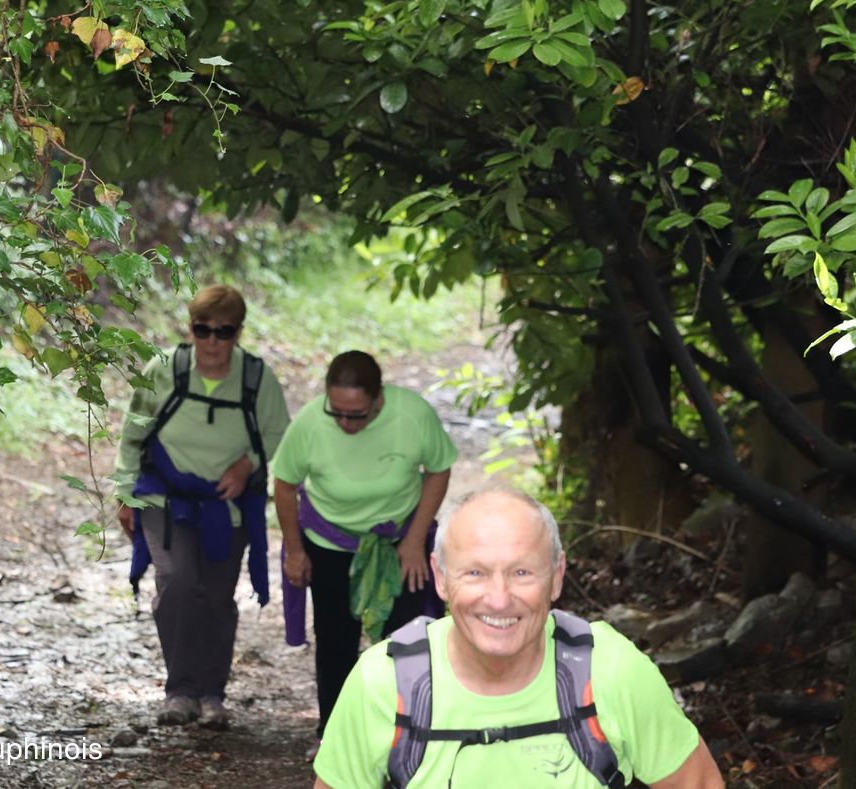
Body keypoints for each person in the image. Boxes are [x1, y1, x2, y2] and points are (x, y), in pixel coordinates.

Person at [313, 489, 725, 789]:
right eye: (475, 572)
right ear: (440, 577)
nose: (499, 598)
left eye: (522, 572)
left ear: (557, 576)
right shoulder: (385, 681)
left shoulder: (610, 671)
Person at [115, 285, 290, 730]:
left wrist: (247, 465)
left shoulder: (256, 379)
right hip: (164, 495)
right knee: (176, 581)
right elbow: (133, 432)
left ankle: (211, 694)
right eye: (202, 330)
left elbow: (278, 434)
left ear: (238, 333)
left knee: (215, 595)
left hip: (227, 504)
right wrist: (124, 494)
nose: (212, 341)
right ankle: (180, 691)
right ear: (190, 329)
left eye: (224, 332)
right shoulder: (165, 369)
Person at [273, 350, 457, 758]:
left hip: (399, 540)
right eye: (336, 411)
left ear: (379, 399)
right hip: (330, 540)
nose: (344, 423)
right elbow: (284, 484)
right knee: (335, 639)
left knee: (406, 638)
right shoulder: (310, 423)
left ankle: (404, 735)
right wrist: (295, 550)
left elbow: (439, 469)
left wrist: (414, 540)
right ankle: (334, 735)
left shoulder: (412, 415)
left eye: (356, 415)